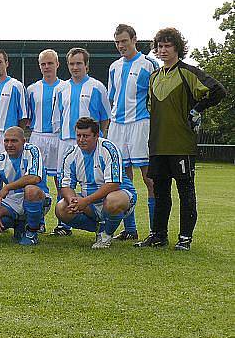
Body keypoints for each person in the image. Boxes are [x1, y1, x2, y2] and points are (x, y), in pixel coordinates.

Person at [135, 28, 226, 251]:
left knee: (185, 191)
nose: (163, 50)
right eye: (159, 46)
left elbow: (218, 90)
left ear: (177, 47)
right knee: (160, 192)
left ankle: (185, 238)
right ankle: (158, 235)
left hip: (181, 144)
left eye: (168, 46)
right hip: (157, 144)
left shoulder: (188, 72)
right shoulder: (154, 77)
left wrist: (197, 109)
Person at [107, 24, 160, 240]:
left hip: (140, 123)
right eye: (117, 42)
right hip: (117, 126)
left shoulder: (149, 64)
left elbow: (157, 97)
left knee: (149, 178)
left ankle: (155, 230)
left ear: (134, 40)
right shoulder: (114, 67)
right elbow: (113, 96)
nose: (121, 46)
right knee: (121, 179)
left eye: (124, 41)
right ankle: (130, 229)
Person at [51, 47, 111, 236]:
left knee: (99, 182)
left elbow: (105, 117)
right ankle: (64, 224)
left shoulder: (97, 87)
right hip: (67, 141)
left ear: (86, 65)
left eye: (79, 63)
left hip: (91, 144)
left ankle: (111, 222)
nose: (75, 67)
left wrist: (101, 139)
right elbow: (57, 118)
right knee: (64, 182)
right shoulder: (60, 88)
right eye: (71, 63)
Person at [56, 117, 137, 249]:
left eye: (86, 136)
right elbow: (65, 185)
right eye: (79, 136)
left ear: (96, 135)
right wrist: (73, 201)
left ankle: (107, 234)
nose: (81, 140)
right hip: (90, 204)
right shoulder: (71, 153)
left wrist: (85, 201)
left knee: (113, 200)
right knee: (61, 208)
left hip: (120, 197)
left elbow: (113, 185)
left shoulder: (108, 149)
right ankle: (100, 227)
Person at [0, 126, 51, 246]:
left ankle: (31, 232)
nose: (9, 144)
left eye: (14, 141)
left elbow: (34, 178)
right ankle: (20, 226)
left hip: (38, 197)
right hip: (14, 201)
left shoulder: (32, 151)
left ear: (23, 141)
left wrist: (7, 187)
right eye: (6, 141)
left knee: (30, 190)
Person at [26, 49, 65, 233]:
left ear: (57, 64)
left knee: (61, 180)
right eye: (43, 64)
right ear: (39, 66)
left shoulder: (65, 87)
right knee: (37, 181)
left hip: (59, 137)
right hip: (38, 137)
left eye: (50, 63)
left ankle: (63, 223)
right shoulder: (32, 89)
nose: (47, 67)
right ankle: (39, 221)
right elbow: (28, 116)